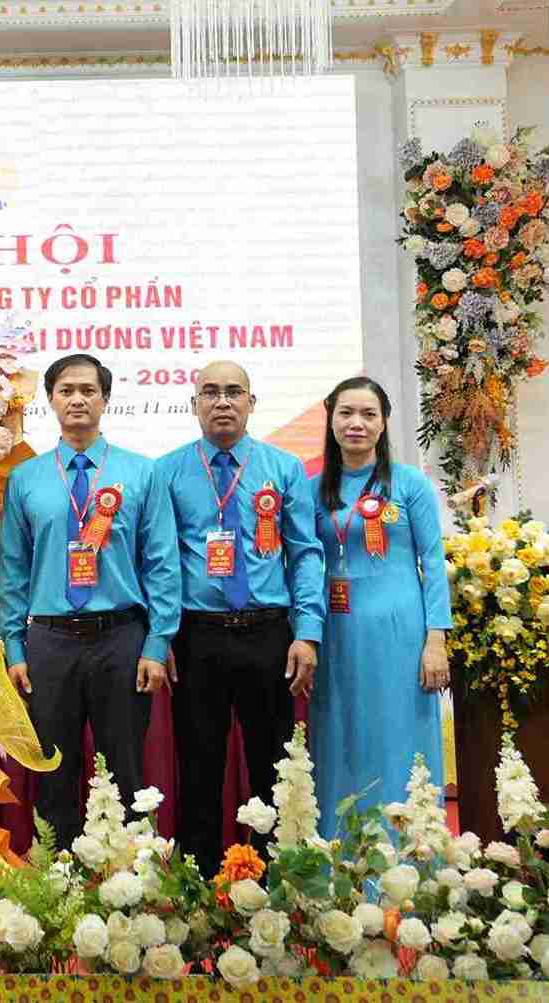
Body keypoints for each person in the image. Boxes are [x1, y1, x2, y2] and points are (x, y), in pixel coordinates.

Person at [0, 353, 181, 846]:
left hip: (121, 638)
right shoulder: (26, 479)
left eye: (88, 390)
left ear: (105, 399)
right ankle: (54, 889)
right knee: (53, 774)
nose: (78, 399)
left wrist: (157, 644)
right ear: (51, 400)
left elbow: (162, 563)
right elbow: (12, 570)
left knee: (125, 772)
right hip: (50, 643)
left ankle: (128, 892)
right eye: (66, 391)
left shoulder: (141, 474)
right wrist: (14, 647)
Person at [162, 360, 325, 877]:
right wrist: (160, 635)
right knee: (199, 766)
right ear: (194, 405)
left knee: (273, 766)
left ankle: (278, 887)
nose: (223, 402)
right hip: (198, 636)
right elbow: (159, 563)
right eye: (210, 392)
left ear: (252, 403)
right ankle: (201, 886)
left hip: (268, 632)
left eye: (234, 392)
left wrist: (308, 633)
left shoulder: (283, 469)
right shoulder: (166, 471)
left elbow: (305, 554)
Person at [310, 376, 451, 837]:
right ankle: (341, 858)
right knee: (342, 739)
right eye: (346, 413)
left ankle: (412, 859)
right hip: (336, 635)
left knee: (399, 740)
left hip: (402, 635)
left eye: (368, 414)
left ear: (383, 423)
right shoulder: (312, 489)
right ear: (330, 419)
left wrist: (437, 639)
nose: (357, 424)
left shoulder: (409, 484)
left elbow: (432, 561)